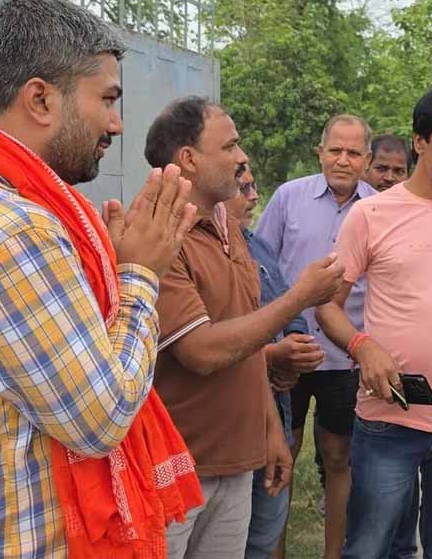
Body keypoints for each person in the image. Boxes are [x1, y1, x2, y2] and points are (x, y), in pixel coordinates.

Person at [0, 0, 204, 558]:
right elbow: (101, 416)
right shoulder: (9, 230)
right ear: (40, 98)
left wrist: (106, 281)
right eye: (107, 99)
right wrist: (139, 277)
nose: (116, 123)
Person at [143, 97, 343, 558]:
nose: (241, 158)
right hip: (175, 468)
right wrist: (300, 296)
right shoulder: (157, 237)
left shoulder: (230, 233)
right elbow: (202, 351)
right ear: (188, 159)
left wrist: (269, 430)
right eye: (230, 146)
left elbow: (247, 344)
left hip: (234, 462)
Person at [317, 86, 432, 558]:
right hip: (389, 420)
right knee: (369, 547)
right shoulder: (371, 214)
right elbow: (327, 305)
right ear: (420, 142)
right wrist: (363, 346)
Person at [256, 114, 375, 559]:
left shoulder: (378, 207)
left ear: (366, 158)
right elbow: (261, 263)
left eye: (353, 153)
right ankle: (274, 552)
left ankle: (333, 553)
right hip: (288, 353)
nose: (343, 160)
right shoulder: (289, 197)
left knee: (339, 457)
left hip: (345, 357)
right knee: (281, 452)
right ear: (321, 152)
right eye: (335, 150)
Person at [236, 166, 326, 559]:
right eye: (243, 187)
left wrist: (294, 345)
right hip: (227, 425)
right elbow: (203, 343)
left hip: (273, 411)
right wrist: (272, 356)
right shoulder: (193, 250)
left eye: (255, 185)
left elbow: (290, 308)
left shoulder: (258, 247)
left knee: (265, 530)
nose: (254, 196)